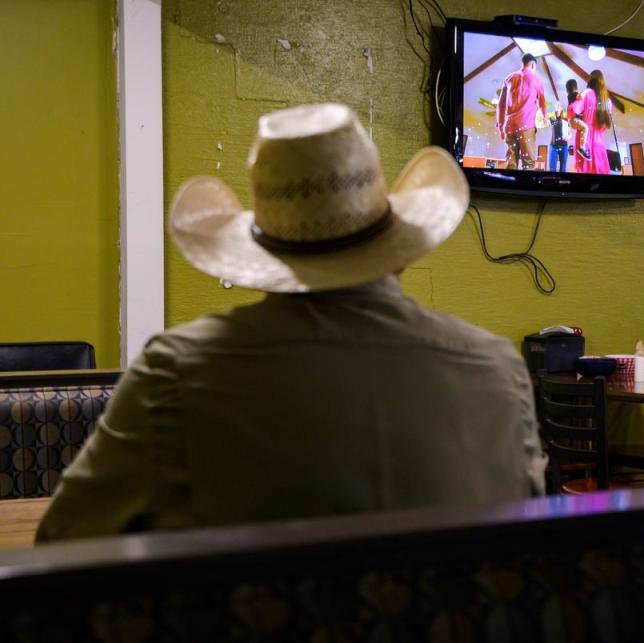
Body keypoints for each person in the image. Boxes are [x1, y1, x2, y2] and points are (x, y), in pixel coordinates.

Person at [37, 104, 545, 541]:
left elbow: (65, 543)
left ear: (262, 259)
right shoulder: (497, 370)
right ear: (401, 253)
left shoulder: (176, 375)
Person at [496, 53, 547, 170]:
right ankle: (524, 188)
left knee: (511, 163)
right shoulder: (537, 80)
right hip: (526, 127)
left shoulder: (509, 78)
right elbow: (543, 103)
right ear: (533, 65)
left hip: (509, 127)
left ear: (522, 63)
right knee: (528, 164)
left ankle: (509, 187)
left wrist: (500, 127)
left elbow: (501, 105)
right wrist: (544, 117)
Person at [576, 70, 613, 175]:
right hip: (599, 144)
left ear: (591, 79)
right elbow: (605, 126)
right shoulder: (608, 102)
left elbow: (575, 112)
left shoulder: (586, 94)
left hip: (585, 143)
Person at [565, 78, 590, 164]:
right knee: (585, 128)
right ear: (576, 87)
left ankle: (581, 147)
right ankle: (582, 148)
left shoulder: (570, 96)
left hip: (573, 120)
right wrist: (586, 90)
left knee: (583, 129)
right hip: (574, 120)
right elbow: (580, 96)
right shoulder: (574, 95)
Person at [547, 105, 569, 172]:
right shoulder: (552, 119)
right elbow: (545, 120)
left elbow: (569, 133)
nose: (558, 107)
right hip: (553, 146)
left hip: (564, 146)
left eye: (559, 106)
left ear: (562, 108)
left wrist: (568, 137)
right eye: (557, 106)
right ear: (555, 108)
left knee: (563, 168)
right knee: (552, 168)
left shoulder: (565, 119)